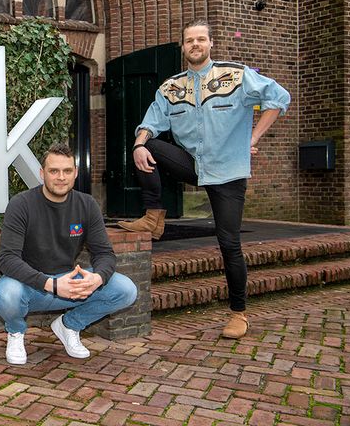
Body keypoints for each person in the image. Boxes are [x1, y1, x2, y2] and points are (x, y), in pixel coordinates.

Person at [118, 19, 291, 339]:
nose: (195, 45)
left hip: (228, 171)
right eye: (189, 41)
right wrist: (139, 144)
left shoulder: (236, 76)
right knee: (147, 146)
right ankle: (153, 216)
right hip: (193, 165)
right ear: (182, 47)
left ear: (211, 44)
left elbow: (279, 98)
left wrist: (252, 138)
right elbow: (151, 122)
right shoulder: (170, 88)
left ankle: (239, 313)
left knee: (229, 243)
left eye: (201, 39)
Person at [0, 143, 138, 365]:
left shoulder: (87, 205)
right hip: (30, 287)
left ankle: (69, 325)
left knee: (125, 289)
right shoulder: (21, 204)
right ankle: (15, 332)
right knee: (7, 293)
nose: (61, 177)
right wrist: (51, 284)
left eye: (67, 171)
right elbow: (7, 259)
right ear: (42, 174)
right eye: (54, 171)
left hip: (70, 285)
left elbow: (105, 254)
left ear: (76, 173)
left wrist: (96, 278)